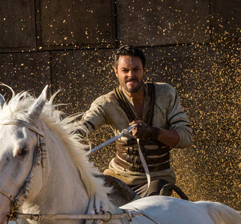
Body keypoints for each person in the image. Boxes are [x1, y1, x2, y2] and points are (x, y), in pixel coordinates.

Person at [77, 45, 193, 198]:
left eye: (136, 69)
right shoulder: (106, 103)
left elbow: (186, 137)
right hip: (119, 177)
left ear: (144, 70)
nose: (130, 75)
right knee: (90, 204)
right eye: (125, 70)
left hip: (159, 178)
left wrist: (152, 132)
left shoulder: (166, 94)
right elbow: (80, 128)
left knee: (150, 209)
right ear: (116, 72)